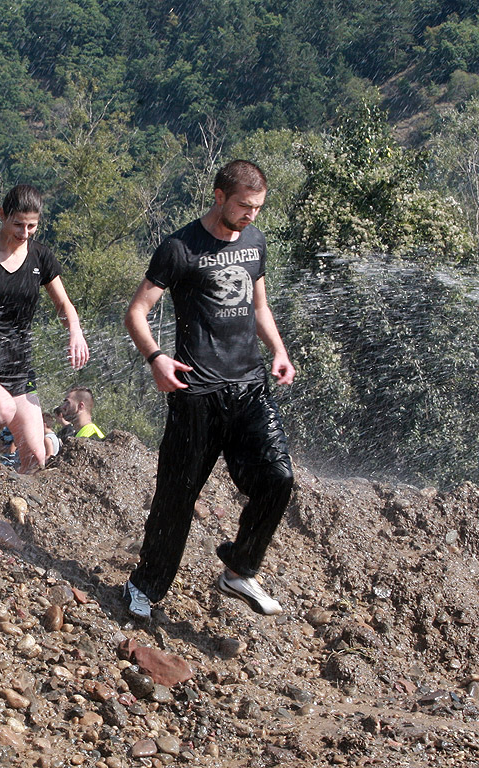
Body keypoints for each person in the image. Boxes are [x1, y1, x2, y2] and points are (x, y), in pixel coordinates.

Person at [121, 160, 295, 619]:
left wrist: (278, 349)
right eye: (243, 206)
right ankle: (144, 586)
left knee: (279, 479)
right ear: (219, 196)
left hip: (250, 388)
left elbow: (259, 306)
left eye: (257, 208)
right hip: (196, 394)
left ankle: (240, 569)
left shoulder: (255, 242)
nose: (251, 216)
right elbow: (136, 312)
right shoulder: (179, 248)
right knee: (177, 497)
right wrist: (156, 358)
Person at [0, 184, 89, 474]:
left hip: (18, 365)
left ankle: (10, 508)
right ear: (1, 215)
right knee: (2, 410)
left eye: (32, 226)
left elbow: (64, 304)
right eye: (18, 224)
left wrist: (75, 330)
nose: (24, 233)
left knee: (36, 457)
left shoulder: (41, 257)